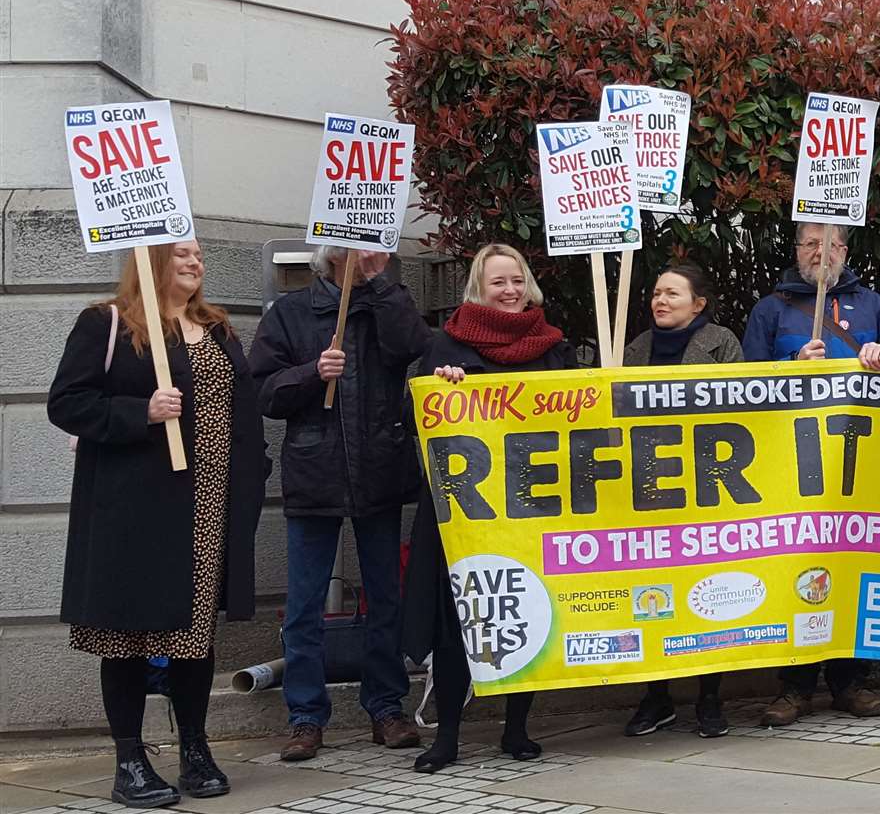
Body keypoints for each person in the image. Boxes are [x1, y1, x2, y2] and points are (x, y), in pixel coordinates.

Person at [48, 242, 269, 807]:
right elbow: (67, 403)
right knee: (126, 633)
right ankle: (130, 759)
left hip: (208, 509)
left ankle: (194, 748)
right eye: (183, 255)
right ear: (151, 262)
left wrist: (253, 471)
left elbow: (241, 412)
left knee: (194, 638)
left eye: (199, 256)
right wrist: (139, 412)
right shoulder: (108, 324)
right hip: (136, 512)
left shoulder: (219, 331)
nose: (196, 264)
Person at [249, 245, 431, 760]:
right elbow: (264, 391)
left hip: (379, 468)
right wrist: (312, 373)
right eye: (362, 246)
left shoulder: (385, 302)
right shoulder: (291, 313)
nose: (375, 253)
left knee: (385, 597)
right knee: (305, 605)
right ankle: (306, 717)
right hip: (315, 472)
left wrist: (380, 286)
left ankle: (386, 707)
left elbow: (412, 348)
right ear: (332, 256)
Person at [404, 244, 572, 771]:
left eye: (517, 280)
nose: (510, 290)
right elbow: (417, 422)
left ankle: (517, 730)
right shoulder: (444, 346)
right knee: (460, 618)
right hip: (466, 510)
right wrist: (442, 389)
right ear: (479, 287)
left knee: (525, 609)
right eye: (499, 281)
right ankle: (448, 735)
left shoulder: (553, 346)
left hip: (529, 503)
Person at [744, 222, 880, 726]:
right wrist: (790, 362)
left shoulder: (873, 305)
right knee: (795, 566)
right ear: (796, 251)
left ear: (844, 250)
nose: (821, 251)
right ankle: (793, 685)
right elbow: (742, 380)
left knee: (851, 568)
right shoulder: (771, 308)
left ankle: (850, 682)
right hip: (791, 468)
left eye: (830, 243)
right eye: (811, 243)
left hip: (858, 466)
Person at [621, 262, 745, 740]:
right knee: (651, 595)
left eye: (673, 293)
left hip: (708, 487)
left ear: (699, 304)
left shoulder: (723, 344)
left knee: (707, 592)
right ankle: (656, 697)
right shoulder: (632, 350)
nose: (660, 300)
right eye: (656, 293)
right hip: (650, 489)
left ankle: (709, 698)